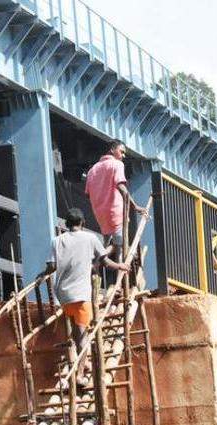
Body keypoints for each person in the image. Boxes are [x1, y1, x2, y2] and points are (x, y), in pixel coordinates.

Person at [42, 208, 129, 349]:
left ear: (66, 224)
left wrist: (42, 274)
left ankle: (80, 360)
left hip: (63, 294)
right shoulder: (90, 238)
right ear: (82, 222)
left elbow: (51, 266)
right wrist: (120, 266)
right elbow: (105, 262)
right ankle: (83, 365)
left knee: (76, 328)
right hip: (80, 294)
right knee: (82, 332)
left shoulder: (56, 241)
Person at [84, 140, 148, 265]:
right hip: (115, 211)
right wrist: (135, 207)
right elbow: (122, 188)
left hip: (100, 213)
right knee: (119, 248)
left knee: (107, 242)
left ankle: (96, 269)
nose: (123, 156)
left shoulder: (92, 170)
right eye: (122, 152)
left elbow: (87, 194)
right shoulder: (117, 164)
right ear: (112, 150)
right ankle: (110, 269)